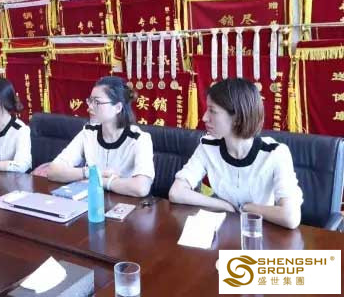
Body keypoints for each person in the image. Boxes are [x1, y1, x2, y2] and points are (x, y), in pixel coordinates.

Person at [169, 78, 303, 229]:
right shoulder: (208, 146)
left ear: (237, 118)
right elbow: (176, 192)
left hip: (260, 231)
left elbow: (290, 217)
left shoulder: (275, 153)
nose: (204, 117)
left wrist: (246, 208)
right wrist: (223, 205)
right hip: (223, 228)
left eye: (212, 111)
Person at [46, 76, 154, 196]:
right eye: (90, 101)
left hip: (125, 204)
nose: (90, 107)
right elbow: (52, 171)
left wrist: (101, 181)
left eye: (97, 102)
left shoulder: (139, 139)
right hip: (91, 201)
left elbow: (141, 188)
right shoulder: (89, 132)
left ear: (118, 107)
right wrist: (89, 172)